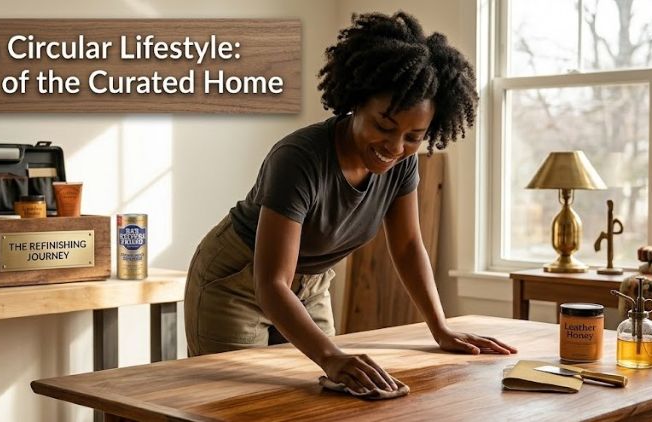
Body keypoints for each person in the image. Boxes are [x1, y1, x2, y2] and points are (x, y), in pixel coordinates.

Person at [184, 11, 516, 394]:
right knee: (237, 404)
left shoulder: (401, 164)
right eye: (384, 126)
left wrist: (440, 327)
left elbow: (408, 246)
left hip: (310, 285)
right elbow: (272, 282)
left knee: (325, 398)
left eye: (413, 137)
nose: (395, 147)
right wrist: (330, 356)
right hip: (237, 281)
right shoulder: (298, 158)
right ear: (356, 103)